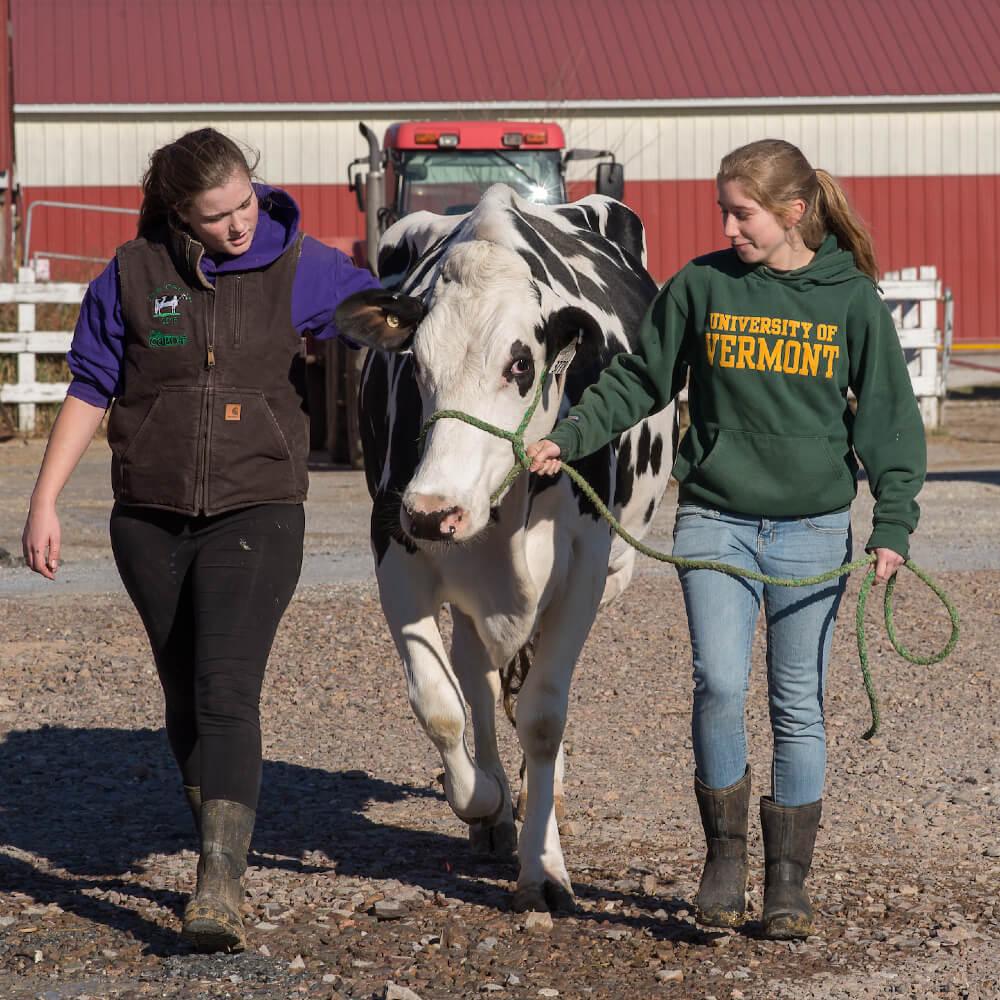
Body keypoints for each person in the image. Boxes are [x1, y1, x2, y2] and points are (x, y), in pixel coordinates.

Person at [527, 139, 926, 939]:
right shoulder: (703, 286)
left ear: (793, 213)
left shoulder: (850, 300)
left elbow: (889, 417)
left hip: (814, 528)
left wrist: (892, 522)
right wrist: (568, 437)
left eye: (741, 213)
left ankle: (788, 885)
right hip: (716, 519)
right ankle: (726, 862)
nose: (729, 226)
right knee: (717, 683)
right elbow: (641, 379)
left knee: (798, 704)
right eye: (725, 212)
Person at [22, 128, 380, 952]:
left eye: (246, 204)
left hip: (258, 508)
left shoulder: (302, 265)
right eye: (217, 216)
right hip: (146, 516)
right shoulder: (132, 275)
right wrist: (44, 502)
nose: (239, 226)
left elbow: (389, 312)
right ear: (180, 213)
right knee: (183, 691)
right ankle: (215, 837)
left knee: (225, 688)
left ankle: (219, 885)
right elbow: (90, 385)